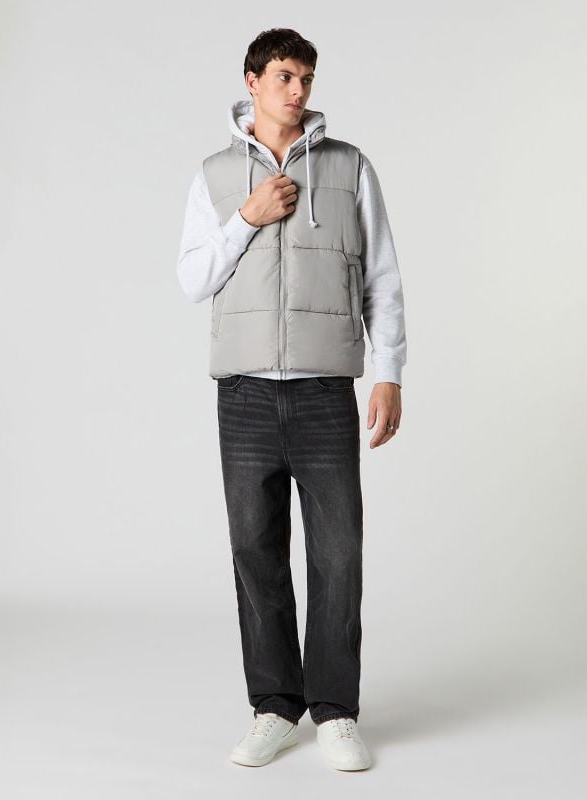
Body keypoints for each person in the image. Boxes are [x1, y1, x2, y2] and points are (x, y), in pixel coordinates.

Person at [176, 28, 407, 772]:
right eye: (284, 76)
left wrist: (389, 371)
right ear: (252, 81)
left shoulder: (348, 167)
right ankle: (275, 707)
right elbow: (191, 279)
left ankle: (335, 711)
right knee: (256, 552)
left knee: (338, 553)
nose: (298, 90)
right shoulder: (216, 175)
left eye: (306, 77)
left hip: (324, 389)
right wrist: (247, 217)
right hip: (244, 392)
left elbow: (382, 275)